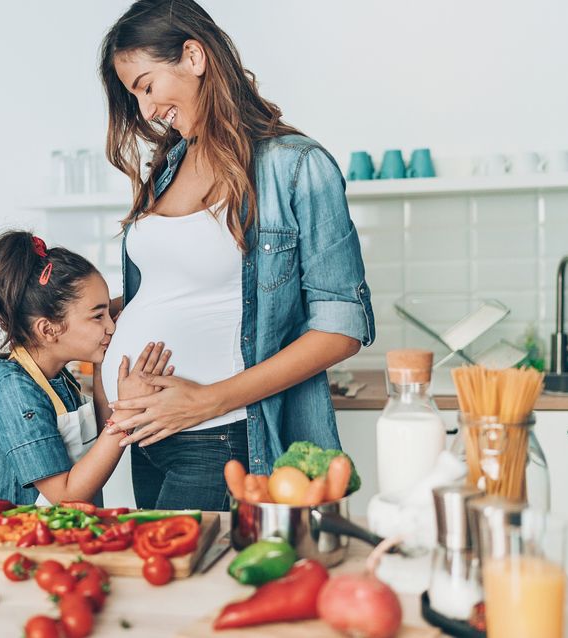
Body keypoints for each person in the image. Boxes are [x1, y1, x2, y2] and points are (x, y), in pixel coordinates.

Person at [97, 0, 375, 511]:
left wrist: (206, 400)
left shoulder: (296, 167)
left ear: (193, 56)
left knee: (197, 588)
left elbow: (342, 328)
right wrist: (98, 315)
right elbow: (183, 289)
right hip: (148, 438)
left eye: (146, 86)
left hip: (221, 438)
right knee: (165, 589)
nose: (145, 112)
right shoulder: (169, 165)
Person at [0, 230, 171, 505]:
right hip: (15, 541)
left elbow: (102, 434)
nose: (110, 326)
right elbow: (65, 495)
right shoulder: (14, 392)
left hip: (57, 538)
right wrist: (127, 413)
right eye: (98, 316)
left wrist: (103, 363)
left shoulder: (58, 377)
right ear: (48, 329)